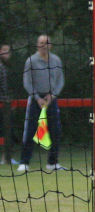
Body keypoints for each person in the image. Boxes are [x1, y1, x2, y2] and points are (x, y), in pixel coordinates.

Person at [17, 35, 65, 173]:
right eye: (41, 43)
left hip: (51, 99)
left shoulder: (56, 60)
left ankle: (53, 162)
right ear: (37, 44)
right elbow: (27, 82)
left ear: (51, 45)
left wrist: (52, 95)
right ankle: (24, 162)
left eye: (46, 43)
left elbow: (60, 80)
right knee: (31, 130)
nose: (44, 45)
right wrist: (37, 98)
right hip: (35, 100)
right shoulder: (31, 61)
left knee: (55, 131)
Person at [0, 44, 12, 164]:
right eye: (4, 51)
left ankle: (6, 158)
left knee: (6, 130)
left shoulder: (5, 67)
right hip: (3, 102)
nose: (6, 53)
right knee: (6, 130)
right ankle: (6, 158)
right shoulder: (1, 67)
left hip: (5, 102)